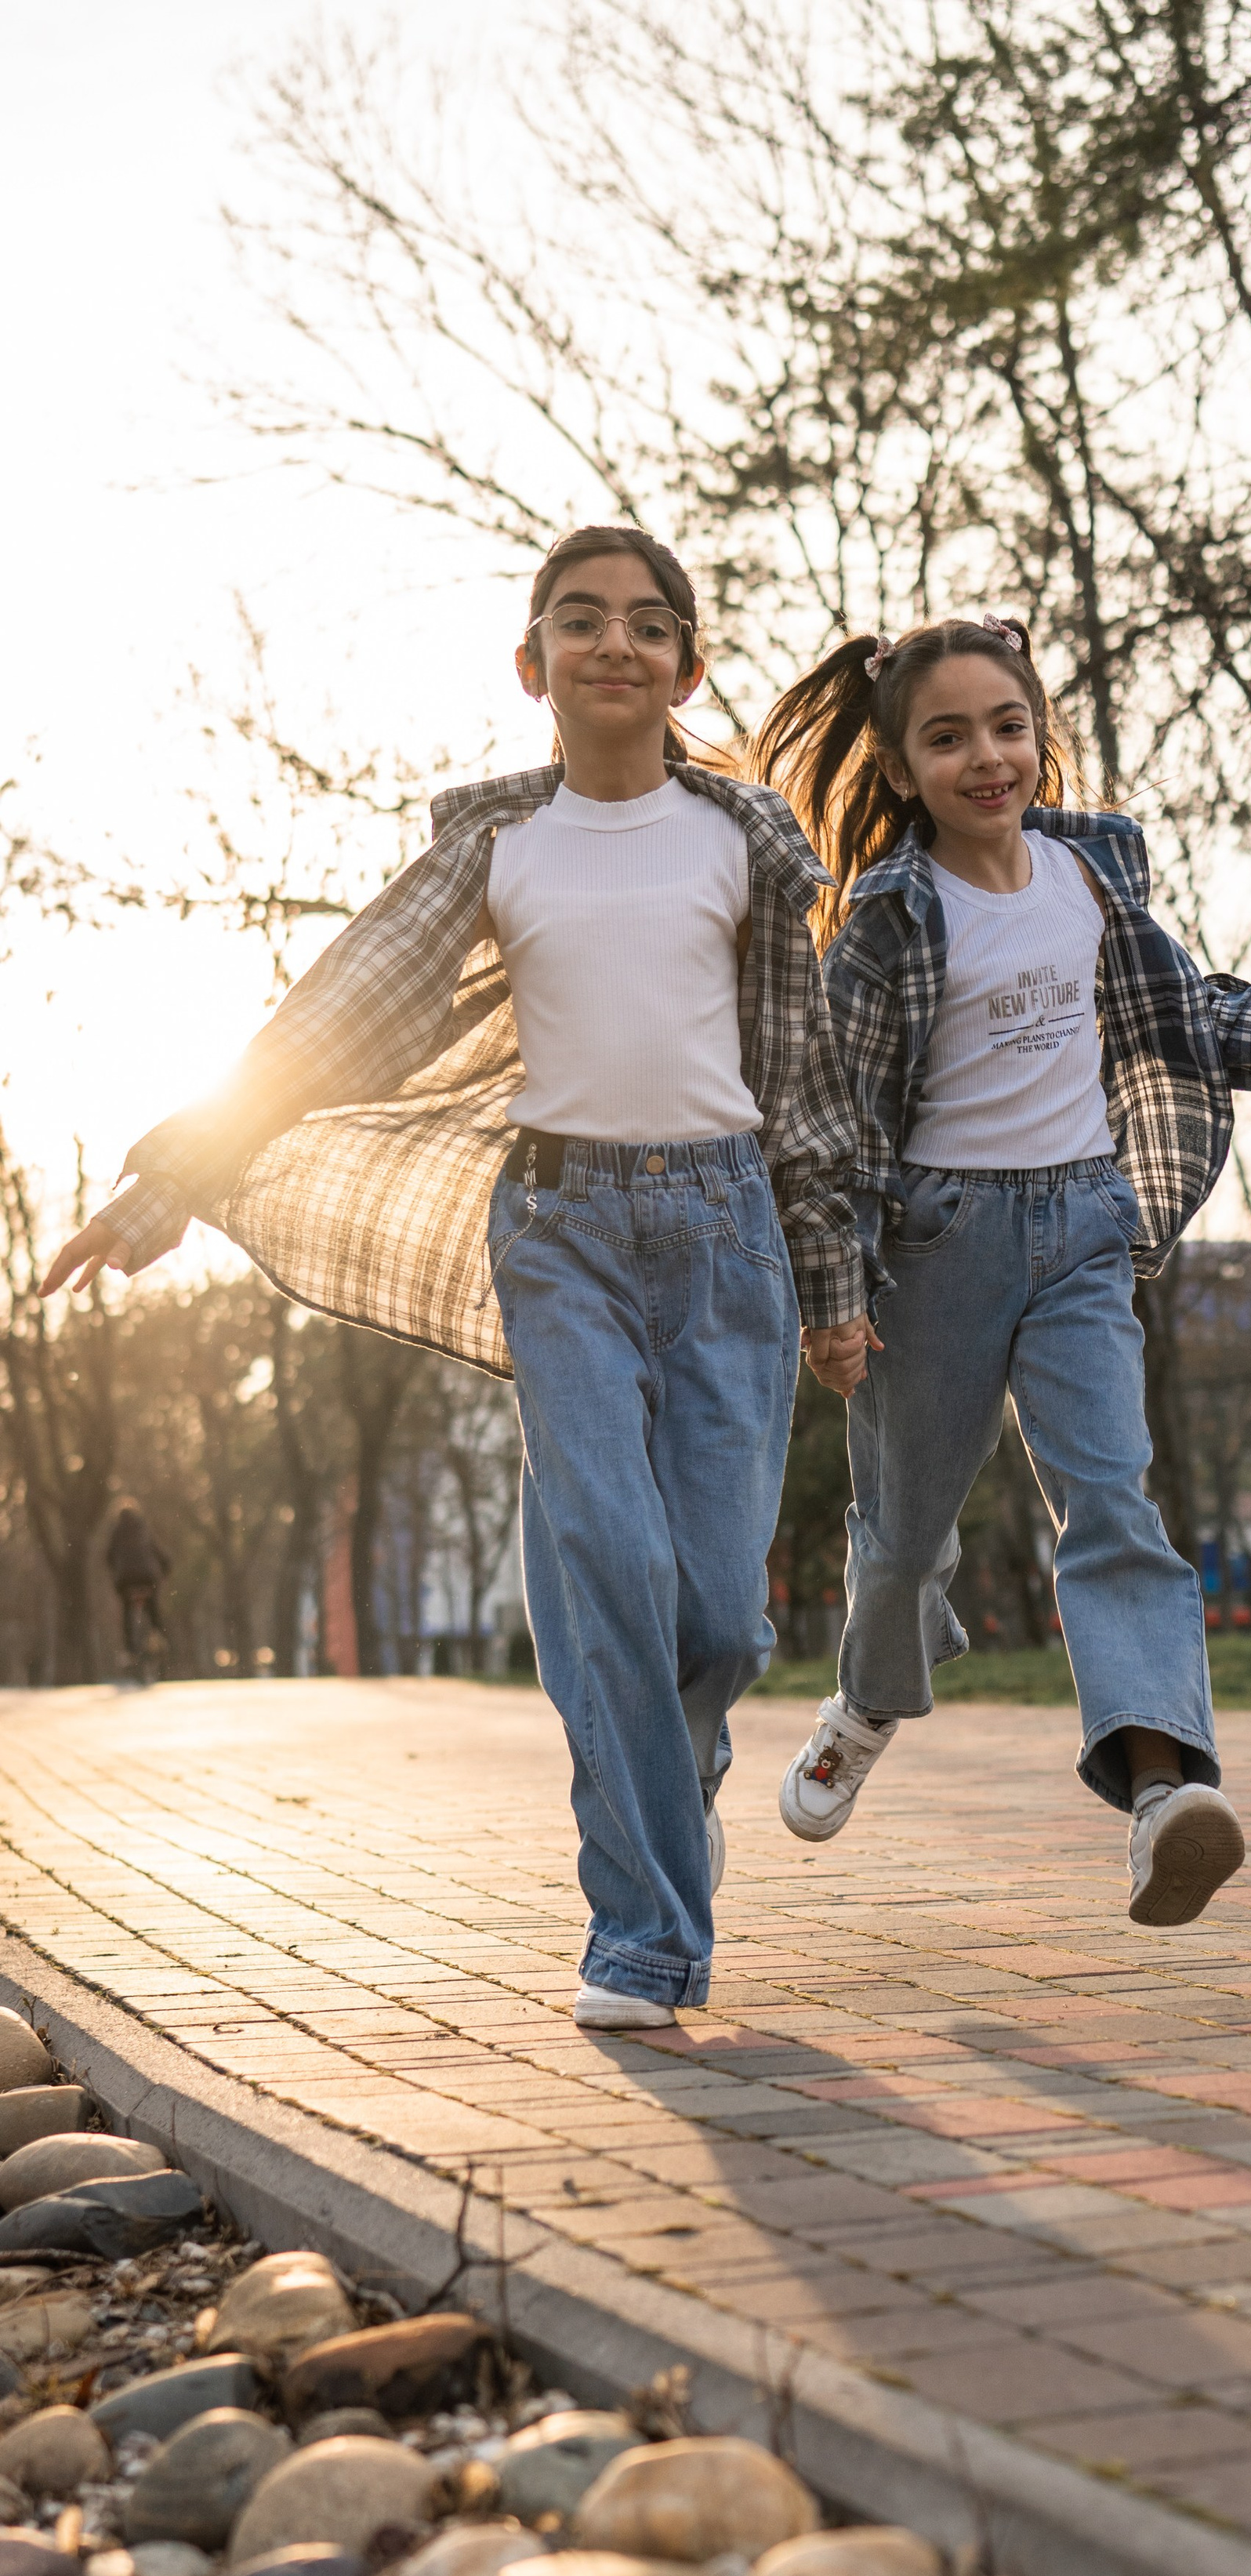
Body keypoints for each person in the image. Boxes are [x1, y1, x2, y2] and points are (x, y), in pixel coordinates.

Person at [43, 524, 872, 2030]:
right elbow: (342, 1012)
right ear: (531, 663)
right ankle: (640, 1938)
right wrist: (171, 1177)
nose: (614, 644)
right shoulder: (497, 844)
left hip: (731, 1236)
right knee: (609, 1561)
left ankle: (655, 1791)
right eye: (579, 621)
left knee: (725, 1628)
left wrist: (832, 1287)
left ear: (687, 662)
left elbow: (802, 1087)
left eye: (646, 624)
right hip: (560, 1236)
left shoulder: (746, 842)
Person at [749, 613, 1251, 1925]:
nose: (988, 757)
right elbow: (837, 1128)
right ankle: (869, 1702)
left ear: (1040, 734)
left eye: (1007, 727)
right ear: (899, 765)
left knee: (1114, 1502)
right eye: (948, 738)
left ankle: (1165, 1793)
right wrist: (832, 1301)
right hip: (934, 1251)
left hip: (1084, 1229)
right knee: (902, 1539)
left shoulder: (1090, 871)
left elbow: (1183, 1011)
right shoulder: (886, 916)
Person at [105, 1502, 170, 1677]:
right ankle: (159, 1635)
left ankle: (129, 1650)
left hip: (127, 1580)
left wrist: (116, 1575)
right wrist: (165, 1570)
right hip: (147, 1578)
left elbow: (109, 1556)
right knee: (154, 1610)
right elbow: (160, 1553)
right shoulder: (144, 1529)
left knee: (127, 1611)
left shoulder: (116, 1532)